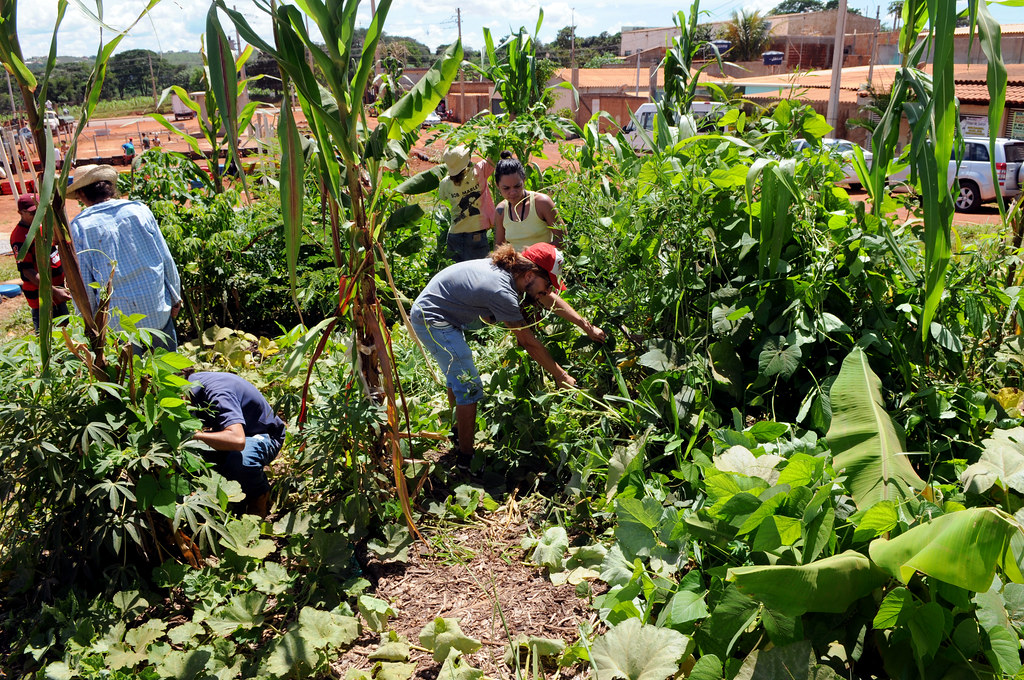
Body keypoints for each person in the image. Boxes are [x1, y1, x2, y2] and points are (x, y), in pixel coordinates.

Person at [409, 242, 605, 459]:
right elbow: (528, 342)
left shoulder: (512, 273)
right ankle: (466, 458)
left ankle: (457, 434)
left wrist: (586, 326)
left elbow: (549, 299)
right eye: (547, 285)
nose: (546, 292)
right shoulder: (502, 290)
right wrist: (561, 376)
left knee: (458, 377)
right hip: (433, 319)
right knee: (469, 386)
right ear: (530, 275)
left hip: (441, 312)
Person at [68, 164, 182, 351]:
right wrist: (176, 297)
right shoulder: (139, 210)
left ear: (81, 195)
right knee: (170, 372)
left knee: (132, 377)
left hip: (119, 325)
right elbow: (165, 258)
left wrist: (89, 322)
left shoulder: (80, 227)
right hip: (157, 309)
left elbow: (84, 284)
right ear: (109, 188)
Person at [187, 371, 285, 517]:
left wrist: (194, 436)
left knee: (240, 461)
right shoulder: (195, 385)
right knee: (193, 454)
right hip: (238, 433)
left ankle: (259, 496)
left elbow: (237, 441)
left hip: (264, 434)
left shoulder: (217, 393)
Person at [9, 194, 71, 332]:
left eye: (40, 210)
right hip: (43, 296)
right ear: (20, 213)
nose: (37, 214)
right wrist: (53, 291)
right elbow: (27, 271)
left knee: (65, 333)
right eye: (32, 212)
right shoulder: (20, 236)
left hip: (57, 292)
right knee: (48, 335)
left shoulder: (42, 227)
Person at [493, 152, 564, 252]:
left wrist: (535, 256)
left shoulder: (542, 203)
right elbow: (499, 247)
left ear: (524, 180)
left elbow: (562, 240)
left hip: (543, 264)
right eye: (506, 188)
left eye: (517, 186)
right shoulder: (501, 210)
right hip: (516, 265)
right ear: (497, 186)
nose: (512, 192)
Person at [437, 145, 495, 262]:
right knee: (479, 273)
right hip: (476, 234)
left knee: (457, 275)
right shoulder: (479, 171)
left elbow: (442, 197)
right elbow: (494, 155)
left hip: (454, 235)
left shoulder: (445, 183)